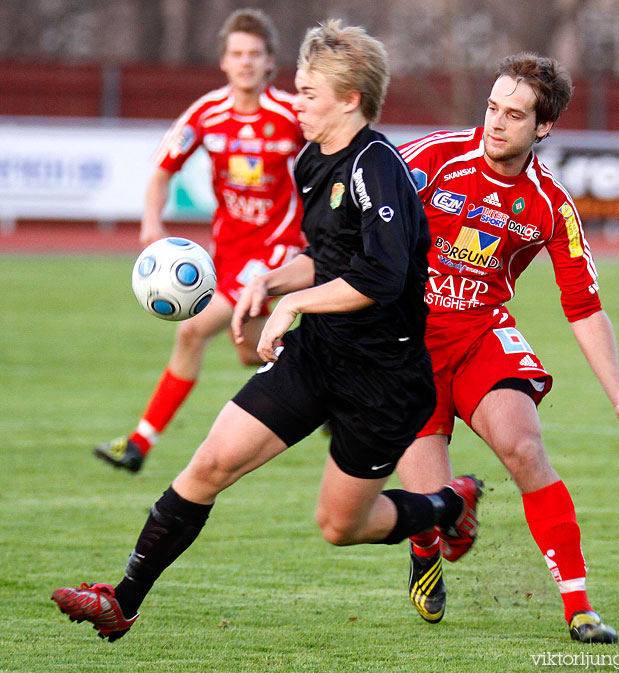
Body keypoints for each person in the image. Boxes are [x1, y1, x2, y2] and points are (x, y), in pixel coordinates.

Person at [51, 19, 483, 642]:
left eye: (309, 91)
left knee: (340, 526)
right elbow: (327, 257)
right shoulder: (312, 160)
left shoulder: (377, 166)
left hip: (382, 378)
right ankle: (122, 600)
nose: (297, 100)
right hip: (315, 357)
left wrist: (292, 304)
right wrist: (271, 283)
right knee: (209, 464)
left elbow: (381, 276)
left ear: (350, 98)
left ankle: (447, 504)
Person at [396, 53, 619, 642]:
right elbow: (363, 220)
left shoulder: (550, 204)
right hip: (405, 345)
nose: (496, 122)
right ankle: (425, 547)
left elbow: (585, 305)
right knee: (432, 509)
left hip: (480, 335)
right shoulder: (429, 159)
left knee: (523, 447)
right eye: (492, 108)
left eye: (514, 115)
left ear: (543, 127)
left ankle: (579, 609)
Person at [93, 8, 305, 473]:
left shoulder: (292, 114)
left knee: (192, 330)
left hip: (277, 248)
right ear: (224, 61)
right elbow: (162, 171)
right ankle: (332, 385)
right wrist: (152, 222)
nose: (245, 62)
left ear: (270, 62)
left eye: (255, 54)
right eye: (237, 54)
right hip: (227, 253)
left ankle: (139, 443)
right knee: (253, 350)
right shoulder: (207, 113)